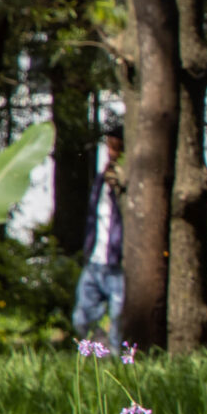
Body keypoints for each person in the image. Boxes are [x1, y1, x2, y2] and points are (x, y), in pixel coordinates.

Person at [71, 127, 126, 348]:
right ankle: (97, 353)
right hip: (95, 261)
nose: (110, 152)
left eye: (115, 147)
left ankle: (115, 364)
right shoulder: (103, 178)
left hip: (117, 264)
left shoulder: (125, 180)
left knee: (119, 322)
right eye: (109, 147)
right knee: (81, 319)